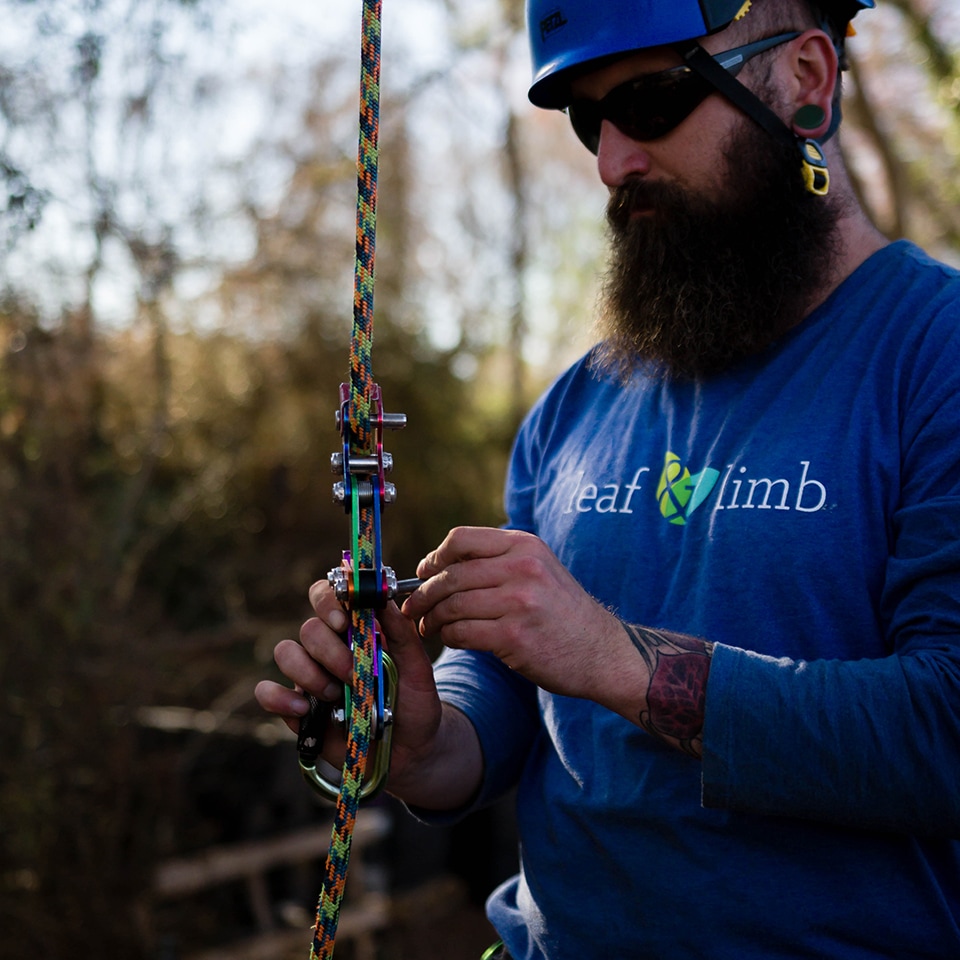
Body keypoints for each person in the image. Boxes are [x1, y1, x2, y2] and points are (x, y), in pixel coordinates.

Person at [256, 0, 960, 955]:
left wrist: (615, 658)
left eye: (654, 99)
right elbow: (510, 702)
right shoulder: (576, 407)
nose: (611, 162)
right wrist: (424, 741)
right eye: (591, 118)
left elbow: (944, 731)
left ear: (807, 81)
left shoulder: (933, 354)